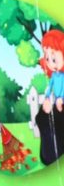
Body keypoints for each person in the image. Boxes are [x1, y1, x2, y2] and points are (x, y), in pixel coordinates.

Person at [36, 29, 64, 165]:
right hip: (51, 158)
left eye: (53, 58)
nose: (50, 63)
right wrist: (45, 111)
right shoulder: (54, 78)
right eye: (47, 58)